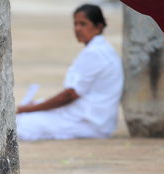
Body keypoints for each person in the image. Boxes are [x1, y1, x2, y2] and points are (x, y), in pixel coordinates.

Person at [16, 4, 124, 141]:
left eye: (83, 24)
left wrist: (30, 109)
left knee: (22, 124)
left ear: (98, 27)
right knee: (25, 116)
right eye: (76, 24)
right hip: (94, 120)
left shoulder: (95, 53)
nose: (78, 29)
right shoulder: (104, 50)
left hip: (88, 123)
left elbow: (69, 95)